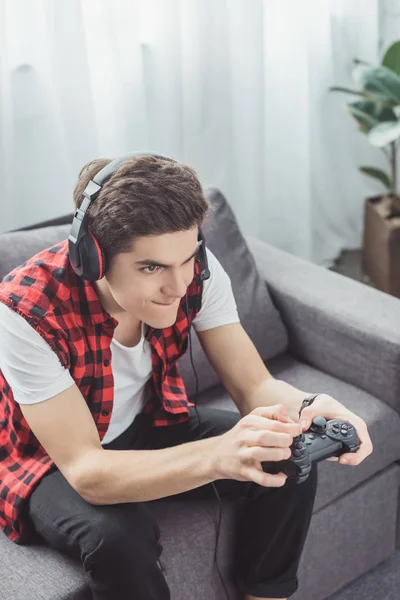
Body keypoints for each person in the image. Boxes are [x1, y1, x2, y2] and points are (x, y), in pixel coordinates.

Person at [0, 153, 373, 600]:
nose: (179, 286)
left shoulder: (194, 266)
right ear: (93, 257)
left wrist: (309, 406)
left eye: (187, 259)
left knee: (287, 453)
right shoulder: (24, 311)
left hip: (153, 420)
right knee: (120, 541)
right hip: (51, 460)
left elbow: (253, 385)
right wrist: (218, 455)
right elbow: (88, 470)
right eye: (151, 267)